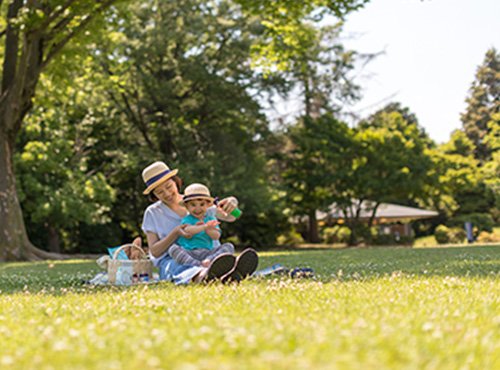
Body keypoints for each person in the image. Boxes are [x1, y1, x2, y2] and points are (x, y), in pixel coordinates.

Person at [141, 161, 258, 284]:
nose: (167, 193)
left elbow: (230, 216)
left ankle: (223, 269)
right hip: (178, 259)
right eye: (159, 192)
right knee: (176, 265)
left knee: (226, 248)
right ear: (154, 195)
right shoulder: (152, 212)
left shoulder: (196, 199)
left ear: (176, 182)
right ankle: (203, 275)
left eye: (169, 186)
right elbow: (154, 251)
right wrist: (175, 233)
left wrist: (232, 202)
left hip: (209, 253)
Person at [168, 183, 235, 268]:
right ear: (186, 206)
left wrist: (209, 229)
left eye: (202, 204)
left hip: (207, 252)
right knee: (173, 249)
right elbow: (187, 230)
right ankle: (196, 264)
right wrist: (203, 227)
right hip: (190, 252)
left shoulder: (210, 219)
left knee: (229, 246)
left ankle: (210, 261)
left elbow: (216, 236)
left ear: (208, 205)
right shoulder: (187, 219)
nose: (198, 208)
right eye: (193, 205)